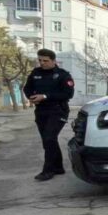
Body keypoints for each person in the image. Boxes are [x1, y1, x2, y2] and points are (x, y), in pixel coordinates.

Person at [23, 49, 75, 181]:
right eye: (40, 60)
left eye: (45, 61)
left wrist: (45, 96)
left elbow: (68, 94)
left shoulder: (63, 75)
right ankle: (58, 167)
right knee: (48, 140)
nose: (42, 63)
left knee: (49, 138)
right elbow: (27, 88)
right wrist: (31, 96)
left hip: (58, 111)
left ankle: (48, 170)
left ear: (53, 61)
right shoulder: (35, 73)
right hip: (41, 111)